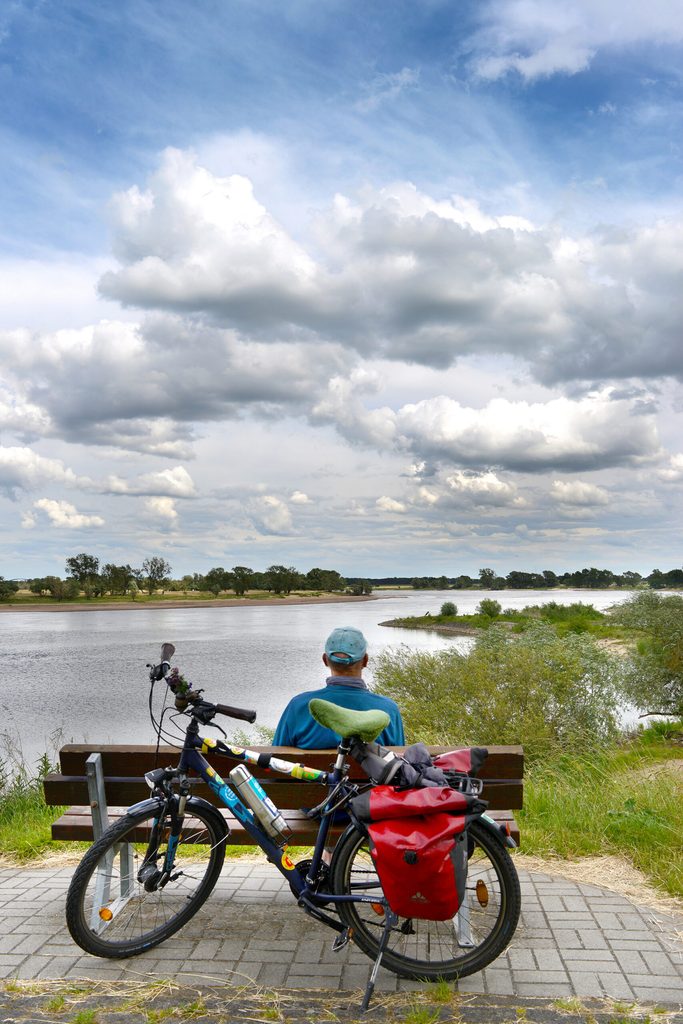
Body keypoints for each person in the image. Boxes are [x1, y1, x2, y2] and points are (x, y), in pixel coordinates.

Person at [273, 626, 405, 748]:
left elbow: (276, 759)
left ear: (325, 660)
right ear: (365, 661)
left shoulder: (298, 706)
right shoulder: (388, 710)